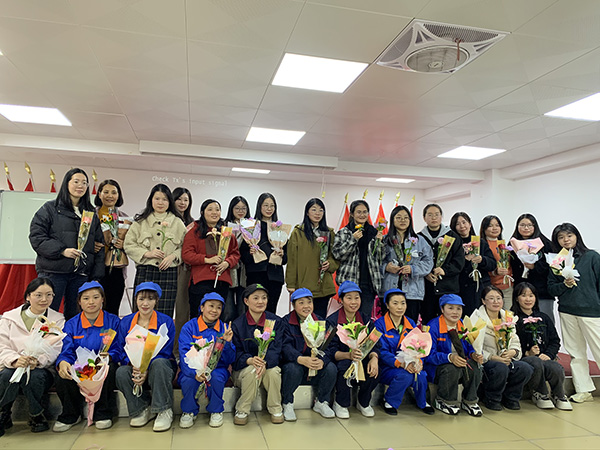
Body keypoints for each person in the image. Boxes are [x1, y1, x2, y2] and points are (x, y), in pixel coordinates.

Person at [30, 168, 105, 319]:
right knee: (47, 314)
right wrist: (62, 251)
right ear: (66, 184)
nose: (80, 186)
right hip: (54, 271)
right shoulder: (50, 209)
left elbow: (99, 245)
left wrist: (96, 275)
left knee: (75, 316)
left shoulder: (90, 213)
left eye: (84, 183)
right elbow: (37, 237)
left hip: (80, 274)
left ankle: (70, 336)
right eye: (76, 181)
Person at [0, 278, 65, 435]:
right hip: (12, 365)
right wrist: (15, 360)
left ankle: (36, 415)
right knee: (7, 375)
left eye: (49, 295)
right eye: (38, 295)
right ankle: (4, 413)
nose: (44, 299)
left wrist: (38, 360)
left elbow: (56, 348)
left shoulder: (57, 320)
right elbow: (2, 345)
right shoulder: (9, 318)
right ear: (28, 296)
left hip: (41, 368)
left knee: (34, 377)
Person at [53, 281, 120, 431]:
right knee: (62, 374)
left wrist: (109, 356)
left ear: (102, 299)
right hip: (79, 365)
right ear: (79, 302)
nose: (91, 302)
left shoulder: (113, 321)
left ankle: (103, 413)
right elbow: (67, 350)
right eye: (86, 298)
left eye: (96, 297)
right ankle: (71, 414)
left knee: (110, 369)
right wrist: (63, 362)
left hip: (102, 364)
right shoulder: (71, 324)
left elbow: (118, 348)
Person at [548, 223, 600, 404]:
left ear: (576, 236)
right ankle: (583, 389)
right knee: (575, 352)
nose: (566, 240)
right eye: (561, 237)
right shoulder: (557, 261)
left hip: (591, 311)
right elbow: (551, 288)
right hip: (567, 311)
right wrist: (564, 285)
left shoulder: (591, 257)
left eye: (569, 235)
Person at [115, 282, 176, 432]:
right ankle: (142, 409)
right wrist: (133, 365)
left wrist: (146, 368)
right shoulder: (126, 322)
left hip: (159, 367)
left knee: (159, 363)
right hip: (134, 367)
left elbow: (166, 351)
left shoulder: (166, 321)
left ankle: (164, 409)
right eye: (141, 299)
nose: (145, 303)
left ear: (156, 301)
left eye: (150, 299)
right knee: (121, 372)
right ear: (136, 300)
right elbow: (120, 349)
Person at [124, 184, 187, 317]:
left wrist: (173, 256)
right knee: (142, 312)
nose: (160, 203)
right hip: (145, 271)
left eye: (164, 199)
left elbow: (185, 247)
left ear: (169, 202)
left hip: (168, 272)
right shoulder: (140, 222)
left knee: (165, 312)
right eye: (157, 198)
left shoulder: (177, 223)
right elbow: (128, 245)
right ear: (151, 200)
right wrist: (147, 253)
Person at [178, 292, 235, 429]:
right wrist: (194, 373)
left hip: (217, 368)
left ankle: (216, 410)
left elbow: (230, 359)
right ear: (202, 307)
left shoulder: (224, 329)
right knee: (188, 380)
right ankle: (189, 411)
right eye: (211, 306)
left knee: (215, 378)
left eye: (219, 307)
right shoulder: (189, 327)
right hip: (192, 369)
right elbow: (184, 354)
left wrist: (227, 343)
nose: (214, 310)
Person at [511, 282, 571, 410]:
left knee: (555, 367)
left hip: (543, 357)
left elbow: (555, 341)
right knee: (535, 361)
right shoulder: (512, 319)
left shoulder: (543, 317)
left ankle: (559, 395)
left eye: (531, 295)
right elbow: (509, 343)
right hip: (523, 359)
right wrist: (527, 353)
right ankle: (540, 393)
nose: (528, 299)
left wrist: (548, 354)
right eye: (523, 295)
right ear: (516, 298)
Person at [374, 288, 434, 416]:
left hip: (408, 364)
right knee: (405, 375)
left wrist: (418, 361)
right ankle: (389, 401)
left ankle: (422, 402)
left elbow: (419, 345)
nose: (400, 307)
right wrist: (400, 364)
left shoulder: (410, 323)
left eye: (403, 303)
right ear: (387, 305)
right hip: (387, 367)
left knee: (421, 374)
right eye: (395, 303)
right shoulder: (379, 324)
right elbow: (382, 351)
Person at [472, 286, 533, 410]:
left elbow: (514, 339)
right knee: (500, 368)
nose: (496, 302)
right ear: (483, 301)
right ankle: (492, 398)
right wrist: (493, 357)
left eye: (499, 298)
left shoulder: (508, 317)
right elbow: (474, 347)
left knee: (525, 368)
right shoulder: (476, 318)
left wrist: (513, 352)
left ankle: (511, 397)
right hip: (487, 361)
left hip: (506, 358)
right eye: (491, 298)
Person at [231, 284, 284, 425]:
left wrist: (265, 362)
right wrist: (249, 360)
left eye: (264, 298)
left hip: (268, 366)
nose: (261, 301)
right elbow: (235, 353)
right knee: (252, 371)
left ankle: (276, 408)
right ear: (246, 301)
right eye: (256, 298)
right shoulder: (238, 325)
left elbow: (277, 349)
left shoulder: (275, 322)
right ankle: (242, 409)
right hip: (244, 369)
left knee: (274, 373)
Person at [280, 288, 337, 421]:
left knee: (331, 368)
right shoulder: (286, 322)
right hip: (297, 364)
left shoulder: (321, 322)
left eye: (309, 302)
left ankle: (321, 402)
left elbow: (330, 346)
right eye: (301, 303)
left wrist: (322, 360)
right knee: (292, 368)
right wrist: (300, 359)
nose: (306, 306)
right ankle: (287, 403)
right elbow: (284, 346)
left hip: (315, 365)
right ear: (293, 305)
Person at [326, 281, 379, 419]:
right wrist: (349, 355)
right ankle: (340, 403)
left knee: (375, 368)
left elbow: (374, 343)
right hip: (342, 359)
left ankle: (363, 402)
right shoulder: (333, 321)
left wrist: (374, 358)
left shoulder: (366, 320)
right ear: (341, 300)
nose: (354, 302)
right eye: (349, 298)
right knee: (344, 366)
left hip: (362, 358)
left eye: (357, 297)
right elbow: (330, 351)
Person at [424, 294, 484, 416]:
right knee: (452, 368)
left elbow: (470, 346)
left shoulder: (463, 325)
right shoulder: (433, 327)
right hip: (438, 368)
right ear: (442, 309)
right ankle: (444, 400)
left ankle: (469, 401)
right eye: (450, 308)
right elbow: (428, 355)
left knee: (475, 366)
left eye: (458, 308)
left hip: (460, 364)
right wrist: (449, 357)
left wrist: (474, 354)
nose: (455, 312)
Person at [182, 199, 240, 319]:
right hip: (200, 281)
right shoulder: (194, 232)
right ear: (202, 212)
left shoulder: (226, 233)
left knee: (219, 316)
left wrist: (227, 263)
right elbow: (186, 255)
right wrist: (206, 260)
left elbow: (235, 254)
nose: (214, 212)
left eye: (217, 210)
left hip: (221, 280)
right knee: (198, 316)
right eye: (210, 209)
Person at [286, 198, 339, 319]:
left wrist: (330, 264)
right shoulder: (298, 232)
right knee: (303, 320)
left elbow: (335, 256)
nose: (317, 213)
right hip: (304, 284)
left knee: (320, 321)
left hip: (322, 285)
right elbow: (292, 260)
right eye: (314, 210)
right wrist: (291, 283)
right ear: (307, 212)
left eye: (321, 210)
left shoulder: (329, 232)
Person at [332, 200, 383, 320]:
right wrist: (352, 239)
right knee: (348, 318)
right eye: (359, 212)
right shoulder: (344, 232)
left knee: (364, 319)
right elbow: (337, 254)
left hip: (369, 283)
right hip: (350, 282)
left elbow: (380, 258)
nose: (362, 215)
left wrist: (379, 243)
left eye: (365, 212)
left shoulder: (374, 232)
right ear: (352, 214)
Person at [381, 205, 433, 323]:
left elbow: (428, 262)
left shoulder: (420, 240)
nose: (402, 220)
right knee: (389, 325)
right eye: (398, 217)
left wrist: (413, 269)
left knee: (410, 325)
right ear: (392, 220)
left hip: (412, 291)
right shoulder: (384, 240)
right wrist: (386, 267)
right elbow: (374, 262)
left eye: (406, 217)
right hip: (390, 288)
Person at [239, 193, 287, 314]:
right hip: (256, 274)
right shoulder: (251, 226)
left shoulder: (280, 228)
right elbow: (243, 255)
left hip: (275, 276)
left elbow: (286, 258)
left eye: (272, 206)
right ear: (259, 206)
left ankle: (269, 328)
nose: (269, 208)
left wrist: (282, 254)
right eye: (265, 205)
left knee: (271, 311)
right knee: (254, 311)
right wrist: (251, 253)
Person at [419, 204, 464, 325]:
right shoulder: (419, 238)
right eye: (430, 215)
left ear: (441, 217)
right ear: (424, 218)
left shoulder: (453, 237)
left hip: (448, 288)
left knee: (449, 322)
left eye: (436, 214)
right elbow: (415, 260)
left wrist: (445, 270)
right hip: (427, 290)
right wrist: (426, 273)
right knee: (428, 322)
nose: (433, 217)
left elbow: (459, 261)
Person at [95, 179, 130, 316]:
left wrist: (124, 245)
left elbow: (133, 244)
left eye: (114, 192)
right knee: (93, 308)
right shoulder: (91, 215)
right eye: (106, 192)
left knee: (112, 310)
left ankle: (110, 331)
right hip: (93, 268)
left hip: (115, 269)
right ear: (99, 194)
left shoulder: (125, 218)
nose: (110, 196)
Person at [450, 212, 496, 316]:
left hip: (481, 287)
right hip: (462, 288)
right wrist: (464, 260)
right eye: (457, 224)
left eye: (464, 222)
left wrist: (482, 260)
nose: (462, 226)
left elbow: (493, 264)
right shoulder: (453, 244)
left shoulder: (481, 242)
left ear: (470, 224)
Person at [510, 214, 554, 319]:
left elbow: (552, 266)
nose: (526, 228)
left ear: (535, 226)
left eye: (529, 225)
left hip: (542, 292)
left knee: (545, 320)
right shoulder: (512, 244)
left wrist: (535, 267)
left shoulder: (545, 243)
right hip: (521, 292)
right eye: (522, 225)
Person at [172, 187, 194, 354]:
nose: (182, 203)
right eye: (179, 199)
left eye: (186, 200)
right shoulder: (169, 220)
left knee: (183, 310)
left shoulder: (193, 223)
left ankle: (180, 349)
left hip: (186, 269)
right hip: (170, 266)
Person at [224, 196, 251, 322]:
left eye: (243, 208)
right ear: (231, 209)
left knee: (242, 309)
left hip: (245, 271)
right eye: (237, 208)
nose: (240, 211)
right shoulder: (224, 226)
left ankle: (240, 333)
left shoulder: (251, 226)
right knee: (228, 310)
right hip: (228, 269)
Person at [480, 215, 514, 309]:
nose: (494, 228)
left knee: (508, 314)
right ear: (484, 228)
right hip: (491, 287)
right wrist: (494, 272)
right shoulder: (482, 245)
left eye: (497, 225)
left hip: (507, 287)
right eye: (490, 226)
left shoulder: (503, 244)